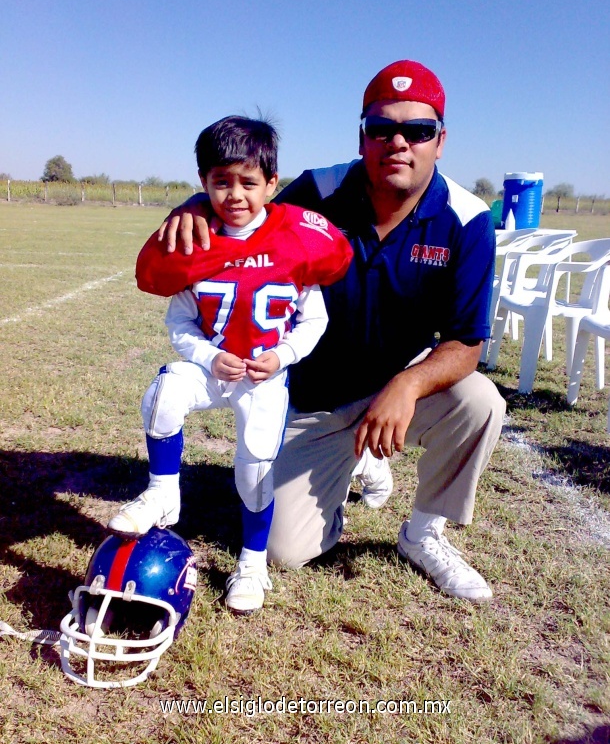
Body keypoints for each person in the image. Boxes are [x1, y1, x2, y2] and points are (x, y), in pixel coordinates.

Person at [150, 60, 506, 603]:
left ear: (441, 138)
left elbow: (466, 343)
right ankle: (349, 461)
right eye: (382, 128)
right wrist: (196, 202)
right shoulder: (317, 191)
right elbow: (246, 204)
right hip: (310, 398)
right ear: (362, 134)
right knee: (285, 552)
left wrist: (406, 386)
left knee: (480, 400)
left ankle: (424, 532)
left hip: (394, 388)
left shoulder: (469, 218)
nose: (399, 143)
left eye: (418, 130)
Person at [108, 115, 353, 613]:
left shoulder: (297, 240)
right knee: (164, 391)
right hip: (215, 368)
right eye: (222, 181)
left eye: (248, 181)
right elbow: (179, 323)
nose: (235, 194)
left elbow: (314, 321)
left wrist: (280, 355)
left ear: (271, 184)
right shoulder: (194, 240)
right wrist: (209, 355)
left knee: (255, 470)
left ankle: (253, 561)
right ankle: (162, 493)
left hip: (263, 376)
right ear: (204, 183)